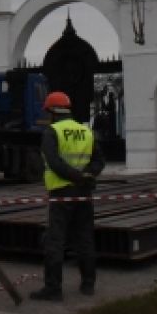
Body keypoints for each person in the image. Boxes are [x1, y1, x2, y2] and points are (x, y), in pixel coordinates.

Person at [30, 90, 104, 302]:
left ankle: (53, 289)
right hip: (84, 192)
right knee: (85, 238)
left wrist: (76, 177)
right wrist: (87, 175)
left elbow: (54, 163)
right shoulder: (85, 131)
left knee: (56, 240)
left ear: (53, 112)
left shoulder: (51, 132)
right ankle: (88, 285)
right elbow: (99, 160)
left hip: (61, 192)